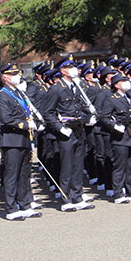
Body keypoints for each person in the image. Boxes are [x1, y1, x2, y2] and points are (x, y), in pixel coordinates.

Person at [41, 55, 95, 211]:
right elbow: (48, 113)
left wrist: (88, 117)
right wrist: (60, 128)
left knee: (78, 165)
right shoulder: (56, 89)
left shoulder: (76, 86)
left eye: (74, 66)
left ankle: (77, 196)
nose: (74, 69)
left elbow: (79, 108)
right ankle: (66, 199)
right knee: (67, 166)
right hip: (66, 132)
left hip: (78, 130)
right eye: (70, 67)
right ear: (63, 70)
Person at [0, 63, 41, 220]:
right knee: (12, 175)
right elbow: (6, 118)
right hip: (12, 139)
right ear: (5, 77)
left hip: (24, 138)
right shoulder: (2, 95)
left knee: (24, 173)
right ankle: (11, 208)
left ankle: (25, 204)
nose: (17, 77)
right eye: (13, 74)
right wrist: (25, 124)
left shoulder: (18, 93)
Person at [98, 72, 131, 203]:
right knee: (120, 166)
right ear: (116, 85)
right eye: (122, 81)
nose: (126, 83)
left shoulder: (128, 97)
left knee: (130, 165)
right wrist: (114, 126)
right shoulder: (111, 99)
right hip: (119, 137)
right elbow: (104, 117)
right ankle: (118, 194)